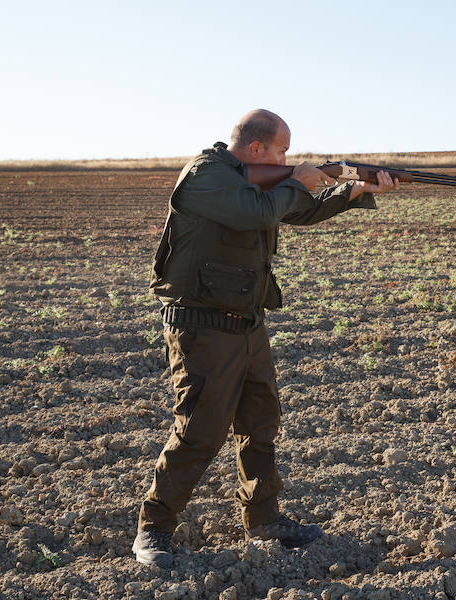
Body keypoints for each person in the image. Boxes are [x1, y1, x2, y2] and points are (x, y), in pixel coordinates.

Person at [133, 109, 398, 568]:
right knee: (199, 430)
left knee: (260, 422)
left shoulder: (256, 179)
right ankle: (153, 527)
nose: (288, 160)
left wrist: (355, 189)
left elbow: (302, 209)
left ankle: (264, 519)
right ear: (256, 149)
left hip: (247, 323)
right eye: (282, 151)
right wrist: (301, 178)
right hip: (203, 324)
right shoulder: (207, 176)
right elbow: (254, 212)